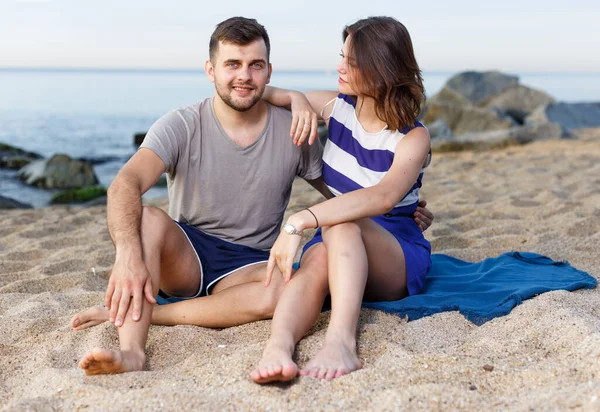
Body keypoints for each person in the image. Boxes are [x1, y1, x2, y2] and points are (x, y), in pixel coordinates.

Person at [70, 16, 434, 376]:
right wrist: (127, 255)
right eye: (232, 64)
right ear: (210, 70)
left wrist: (399, 209)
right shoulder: (183, 124)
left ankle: (335, 342)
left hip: (266, 260)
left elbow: (359, 194)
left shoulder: (307, 132)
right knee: (148, 218)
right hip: (189, 251)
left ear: (269, 71)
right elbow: (125, 183)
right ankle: (133, 352)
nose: (244, 75)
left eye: (255, 66)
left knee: (308, 258)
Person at [251, 16, 432, 383]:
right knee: (316, 261)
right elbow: (268, 92)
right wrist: (298, 102)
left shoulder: (413, 137)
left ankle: (341, 341)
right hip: (335, 234)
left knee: (341, 223)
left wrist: (300, 220)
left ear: (381, 67)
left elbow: (382, 197)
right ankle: (279, 346)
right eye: (341, 56)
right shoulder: (337, 108)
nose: (339, 67)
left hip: (393, 251)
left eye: (351, 61)